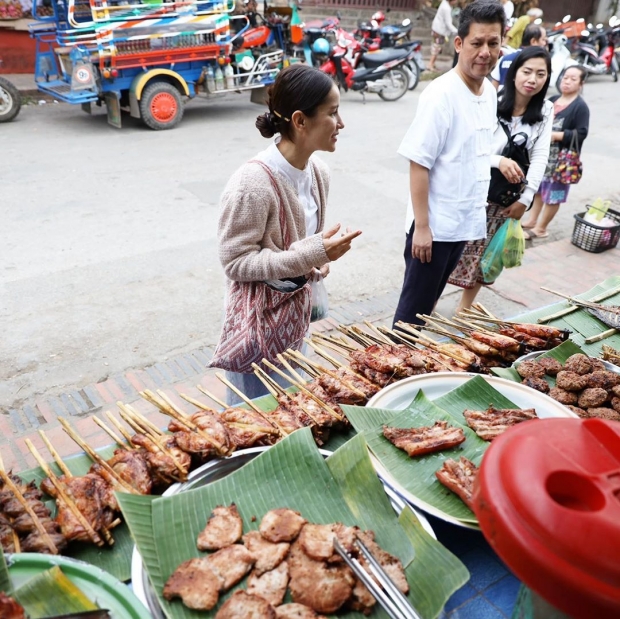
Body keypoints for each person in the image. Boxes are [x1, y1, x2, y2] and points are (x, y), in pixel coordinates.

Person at [213, 64, 362, 403]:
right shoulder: (252, 183)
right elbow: (235, 262)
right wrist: (312, 254)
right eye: (333, 113)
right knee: (256, 428)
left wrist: (317, 262)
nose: (341, 124)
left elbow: (301, 248)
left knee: (293, 411)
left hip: (295, 324)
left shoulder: (318, 173)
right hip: (258, 334)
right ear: (300, 120)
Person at [392, 0, 505, 327]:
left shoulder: (489, 94)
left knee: (427, 305)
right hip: (434, 228)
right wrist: (423, 228)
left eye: (493, 43)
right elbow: (419, 163)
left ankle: (410, 364)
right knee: (410, 316)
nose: (485, 51)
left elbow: (472, 154)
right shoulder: (440, 94)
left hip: (462, 224)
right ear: (459, 44)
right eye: (477, 43)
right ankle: (394, 373)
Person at [449, 46, 553, 312]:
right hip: (475, 189)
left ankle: (463, 309)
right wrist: (499, 161)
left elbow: (541, 156)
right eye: (527, 71)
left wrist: (526, 199)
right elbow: (469, 148)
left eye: (541, 74)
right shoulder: (490, 99)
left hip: (506, 197)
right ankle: (430, 297)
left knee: (487, 256)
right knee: (453, 250)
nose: (533, 79)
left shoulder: (546, 110)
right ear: (514, 73)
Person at [521, 65, 590, 239]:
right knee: (538, 190)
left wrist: (554, 135)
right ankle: (532, 221)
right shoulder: (553, 99)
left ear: (581, 83)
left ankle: (541, 228)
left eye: (573, 79)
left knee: (553, 194)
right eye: (565, 77)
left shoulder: (580, 107)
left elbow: (582, 133)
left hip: (561, 161)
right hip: (544, 156)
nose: (567, 82)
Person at [490, 22, 548, 88]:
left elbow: (494, 87)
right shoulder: (535, 63)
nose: (544, 43)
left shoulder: (505, 59)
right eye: (543, 40)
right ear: (533, 41)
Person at [428, 0, 459, 72]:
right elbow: (448, 24)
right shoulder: (446, 8)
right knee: (436, 47)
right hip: (439, 31)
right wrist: (457, 31)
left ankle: (432, 64)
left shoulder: (445, 3)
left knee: (437, 47)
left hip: (437, 29)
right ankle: (430, 64)